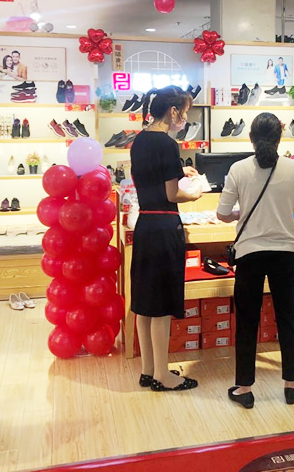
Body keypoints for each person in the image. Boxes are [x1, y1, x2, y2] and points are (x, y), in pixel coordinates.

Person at [217, 113, 294, 409]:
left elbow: (223, 213)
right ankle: (290, 384)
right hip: (284, 251)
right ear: (279, 137)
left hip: (249, 252)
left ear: (251, 137)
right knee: (287, 318)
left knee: (247, 320)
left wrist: (241, 213)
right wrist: (285, 203)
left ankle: (244, 387)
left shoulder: (238, 169)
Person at [130, 86, 201, 392]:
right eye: (184, 112)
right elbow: (172, 194)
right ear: (173, 112)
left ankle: (148, 370)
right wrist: (194, 193)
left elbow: (152, 178)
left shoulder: (139, 140)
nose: (184, 118)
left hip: (145, 224)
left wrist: (179, 169)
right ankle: (163, 375)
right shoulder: (168, 144)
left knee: (145, 303)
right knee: (161, 305)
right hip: (165, 227)